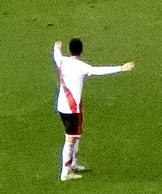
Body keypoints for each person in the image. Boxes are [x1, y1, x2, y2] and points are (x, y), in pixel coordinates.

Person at [52, 38, 134, 182]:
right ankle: (65, 172)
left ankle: (74, 163)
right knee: (70, 140)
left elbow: (56, 55)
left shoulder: (62, 61)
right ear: (81, 51)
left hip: (62, 106)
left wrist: (57, 48)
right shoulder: (82, 67)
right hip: (72, 109)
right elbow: (99, 71)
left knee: (76, 136)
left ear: (70, 50)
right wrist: (121, 68)